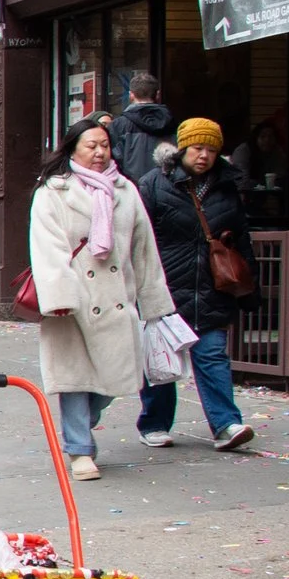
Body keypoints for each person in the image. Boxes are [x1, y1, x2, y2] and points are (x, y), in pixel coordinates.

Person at [28, 118, 176, 482]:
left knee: (115, 379)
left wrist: (155, 303)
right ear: (72, 148)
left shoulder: (126, 191)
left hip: (116, 300)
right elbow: (47, 248)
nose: (98, 152)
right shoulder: (53, 191)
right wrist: (59, 296)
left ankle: (82, 424)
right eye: (91, 145)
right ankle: (80, 449)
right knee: (75, 378)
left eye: (104, 146)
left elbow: (144, 250)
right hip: (74, 300)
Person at [137, 118, 257, 453]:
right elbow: (137, 238)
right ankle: (155, 424)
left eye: (211, 149)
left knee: (212, 354)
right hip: (164, 287)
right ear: (182, 148)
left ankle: (226, 424)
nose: (203, 155)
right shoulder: (153, 184)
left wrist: (250, 289)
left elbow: (242, 241)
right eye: (197, 147)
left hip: (212, 286)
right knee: (161, 359)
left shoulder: (227, 188)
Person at [110, 74, 171, 186]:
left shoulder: (118, 125)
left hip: (131, 188)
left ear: (131, 95)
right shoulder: (172, 123)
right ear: (158, 94)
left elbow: (114, 162)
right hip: (165, 188)